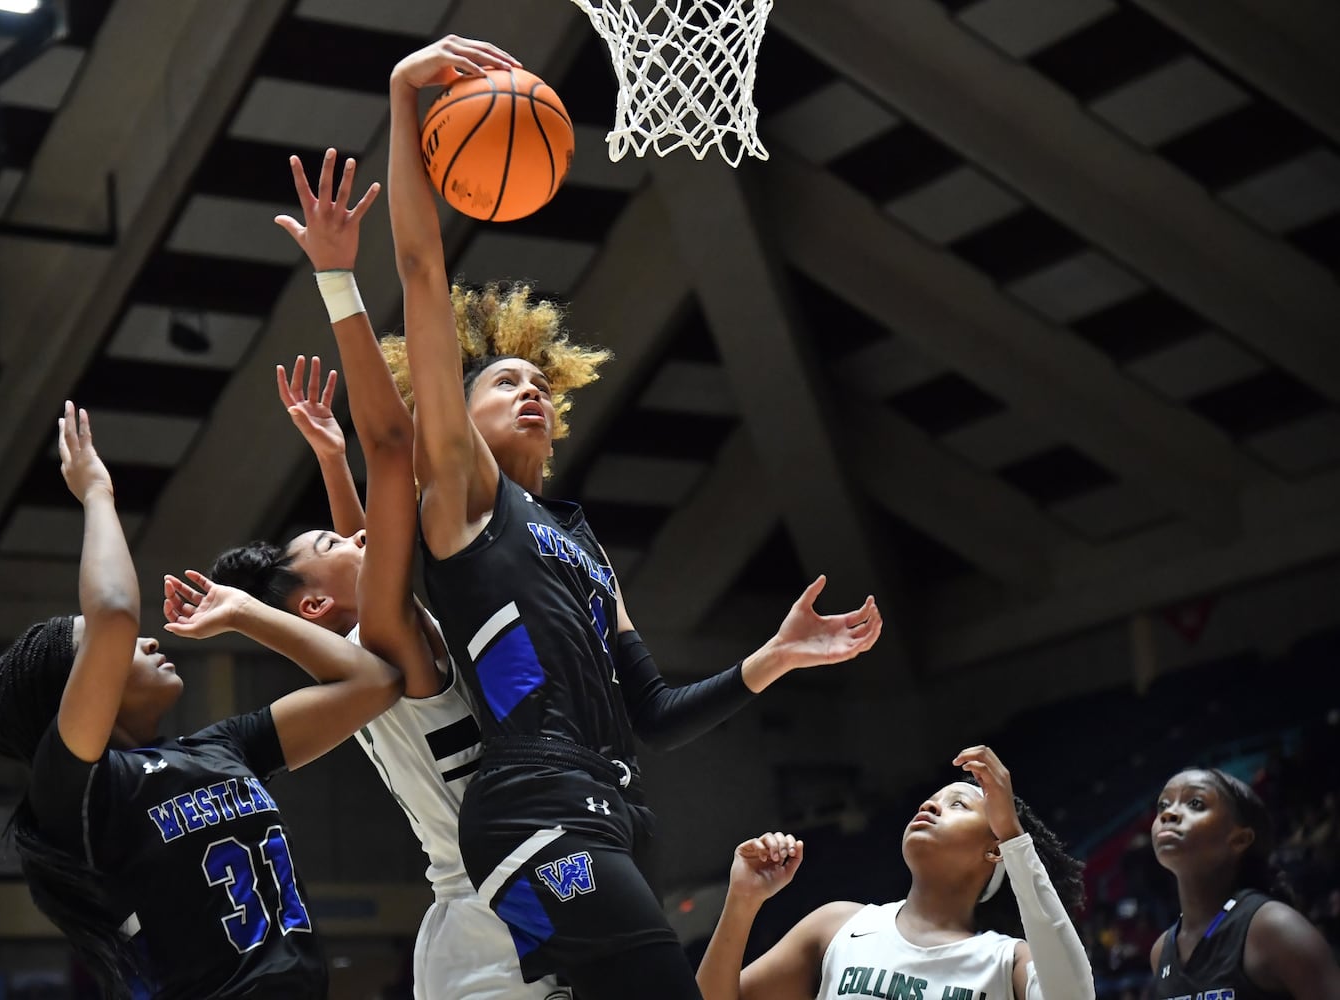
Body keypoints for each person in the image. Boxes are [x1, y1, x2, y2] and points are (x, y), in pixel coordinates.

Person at [381, 35, 885, 998]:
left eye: (538, 381)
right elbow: (418, 270)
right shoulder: (462, 490)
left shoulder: (578, 538)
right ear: (457, 411)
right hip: (531, 807)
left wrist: (774, 658)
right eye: (500, 381)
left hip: (611, 813)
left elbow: (651, 713)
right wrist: (404, 97)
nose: (526, 391)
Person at [204, 148, 570, 999]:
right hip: (489, 909)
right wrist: (340, 284)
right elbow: (380, 532)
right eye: (339, 545)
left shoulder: (370, 645)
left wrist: (333, 462)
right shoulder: (388, 644)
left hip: (505, 887)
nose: (361, 536)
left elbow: (365, 560)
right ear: (322, 601)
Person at [0, 403, 402, 999]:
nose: (142, 637)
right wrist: (97, 492)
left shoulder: (222, 747)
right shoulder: (77, 789)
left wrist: (246, 614)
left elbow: (376, 682)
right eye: (109, 647)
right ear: (78, 687)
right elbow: (114, 613)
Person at [696, 746, 1093, 1000]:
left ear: (995, 850)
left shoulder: (1007, 961)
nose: (931, 806)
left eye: (958, 805)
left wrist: (1013, 834)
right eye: (932, 799)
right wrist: (742, 901)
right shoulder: (838, 924)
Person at [1148, 767, 1340, 1000]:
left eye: (1195, 803)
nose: (1169, 814)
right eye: (1163, 805)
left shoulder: (1273, 928)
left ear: (1240, 839)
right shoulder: (1161, 951)